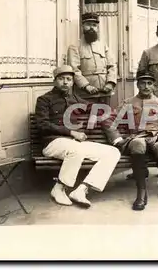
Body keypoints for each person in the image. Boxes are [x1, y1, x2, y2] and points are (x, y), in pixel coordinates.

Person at [34, 65, 121, 208]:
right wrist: (70, 132)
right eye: (61, 79)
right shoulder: (44, 100)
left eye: (69, 79)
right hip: (52, 143)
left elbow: (95, 107)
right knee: (76, 149)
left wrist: (100, 114)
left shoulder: (75, 99)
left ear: (73, 82)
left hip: (74, 144)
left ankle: (82, 189)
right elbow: (42, 125)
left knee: (112, 152)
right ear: (55, 81)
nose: (65, 82)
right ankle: (59, 188)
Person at [104, 71, 158, 211]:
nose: (146, 86)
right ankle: (141, 192)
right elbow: (109, 120)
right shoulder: (128, 103)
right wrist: (117, 139)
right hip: (137, 137)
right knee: (138, 144)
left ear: (154, 86)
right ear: (137, 84)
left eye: (149, 83)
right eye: (142, 83)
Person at [67, 12, 118, 105]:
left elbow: (112, 65)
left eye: (94, 25)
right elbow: (74, 70)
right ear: (82, 26)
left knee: (105, 117)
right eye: (88, 25)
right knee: (88, 118)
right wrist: (86, 86)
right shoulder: (74, 46)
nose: (91, 28)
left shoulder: (103, 45)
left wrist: (110, 83)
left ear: (97, 28)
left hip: (105, 91)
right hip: (85, 94)